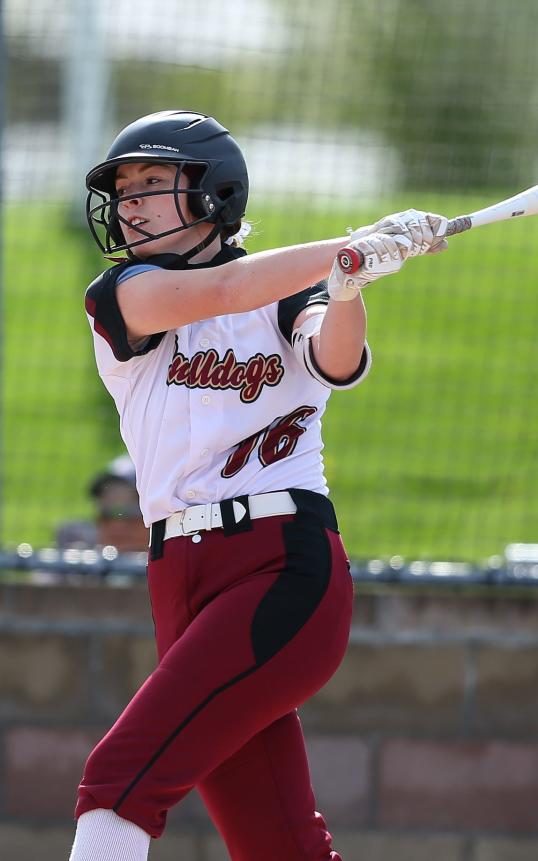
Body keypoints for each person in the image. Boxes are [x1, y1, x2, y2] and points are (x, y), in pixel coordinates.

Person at [74, 109, 447, 861]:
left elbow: (337, 361)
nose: (132, 202)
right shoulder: (122, 295)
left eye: (153, 181)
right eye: (124, 189)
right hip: (177, 576)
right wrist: (347, 246)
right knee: (277, 844)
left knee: (118, 783)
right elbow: (222, 290)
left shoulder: (287, 296)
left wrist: (347, 285)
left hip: (280, 566)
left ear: (215, 193)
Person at [56, 454, 146, 554]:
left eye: (130, 515)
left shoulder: (164, 567)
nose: (116, 526)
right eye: (106, 515)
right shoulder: (78, 559)